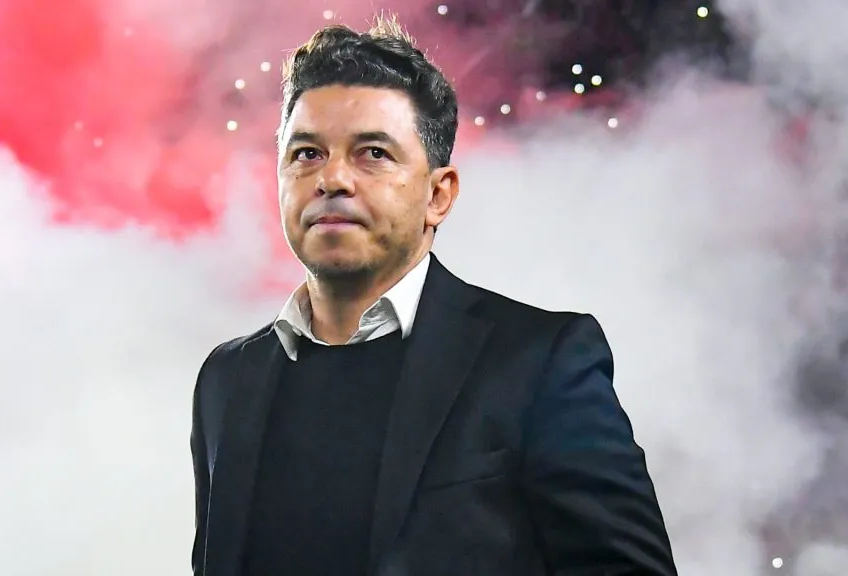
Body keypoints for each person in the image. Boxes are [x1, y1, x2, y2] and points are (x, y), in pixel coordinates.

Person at [191, 16, 677, 576]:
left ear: (438, 195)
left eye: (372, 153)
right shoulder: (227, 380)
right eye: (306, 154)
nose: (332, 179)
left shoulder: (539, 362)